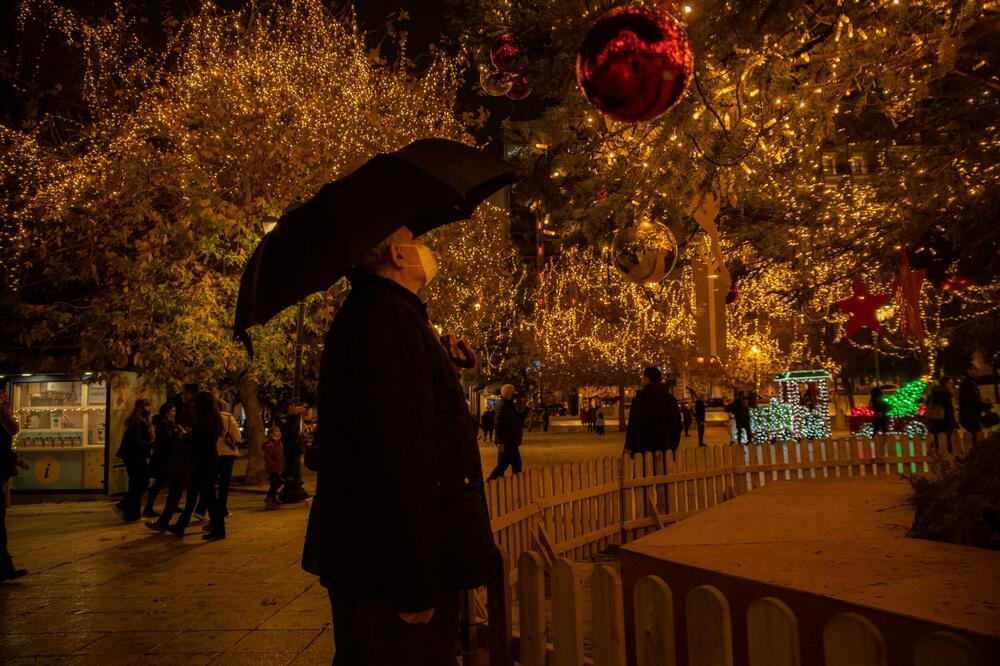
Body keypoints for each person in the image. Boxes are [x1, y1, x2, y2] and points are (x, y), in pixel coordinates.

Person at [301, 226, 499, 666]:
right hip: (391, 571)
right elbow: (400, 454)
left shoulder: (379, 314)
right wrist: (413, 582)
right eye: (418, 240)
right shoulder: (389, 319)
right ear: (398, 254)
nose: (427, 249)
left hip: (370, 559)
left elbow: (400, 416)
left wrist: (441, 367)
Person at [167, 391, 226, 540]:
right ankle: (180, 526)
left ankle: (219, 529)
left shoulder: (205, 419)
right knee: (194, 493)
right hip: (207, 459)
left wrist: (186, 436)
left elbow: (200, 441)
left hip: (203, 460)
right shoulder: (213, 418)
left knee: (209, 496)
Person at [1, 388, 28, 582]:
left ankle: (5, 567)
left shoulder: (3, 421)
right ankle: (5, 567)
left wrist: (16, 458)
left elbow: (13, 430)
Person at [624, 366, 682, 456]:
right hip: (666, 450)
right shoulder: (670, 398)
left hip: (645, 450)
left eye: (642, 378)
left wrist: (630, 446)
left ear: (647, 379)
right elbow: (677, 425)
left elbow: (638, 424)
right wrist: (672, 446)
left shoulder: (643, 397)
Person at [197, 399, 241, 517]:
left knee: (210, 481)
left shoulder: (206, 418)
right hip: (227, 452)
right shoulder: (227, 417)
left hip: (212, 453)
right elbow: (237, 436)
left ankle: (201, 509)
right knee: (224, 482)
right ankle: (222, 508)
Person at [114, 399, 153, 523]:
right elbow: (136, 440)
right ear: (141, 408)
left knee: (135, 484)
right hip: (135, 456)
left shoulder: (138, 420)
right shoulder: (138, 421)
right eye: (148, 406)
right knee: (142, 483)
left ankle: (132, 514)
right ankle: (123, 505)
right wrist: (151, 444)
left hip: (133, 456)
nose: (150, 409)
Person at [144, 402, 179, 517]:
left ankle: (172, 506)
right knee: (159, 483)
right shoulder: (163, 424)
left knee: (172, 483)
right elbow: (166, 439)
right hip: (163, 459)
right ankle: (148, 507)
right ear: (167, 412)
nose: (175, 413)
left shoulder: (169, 424)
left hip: (168, 458)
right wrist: (177, 433)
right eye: (173, 411)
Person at [487, 384, 524, 480]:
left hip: (510, 441)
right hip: (507, 441)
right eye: (513, 392)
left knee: (505, 464)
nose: (514, 394)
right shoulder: (503, 406)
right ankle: (490, 481)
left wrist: (527, 408)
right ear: (508, 393)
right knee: (512, 464)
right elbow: (498, 424)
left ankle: (493, 481)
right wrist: (500, 442)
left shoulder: (508, 405)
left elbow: (518, 418)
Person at [959, 363, 989, 445]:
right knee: (976, 436)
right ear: (968, 370)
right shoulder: (969, 383)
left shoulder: (969, 382)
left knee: (975, 436)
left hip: (970, 415)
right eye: (974, 369)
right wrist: (985, 405)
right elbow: (973, 399)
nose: (977, 371)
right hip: (970, 415)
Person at [927, 377, 957, 453]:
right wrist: (954, 424)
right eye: (950, 383)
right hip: (945, 424)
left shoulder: (932, 395)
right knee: (948, 446)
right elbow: (949, 412)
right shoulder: (947, 395)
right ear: (945, 384)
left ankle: (939, 462)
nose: (951, 385)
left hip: (934, 423)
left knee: (938, 445)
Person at [263, 426, 285, 510]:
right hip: (273, 468)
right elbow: (268, 458)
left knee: (275, 483)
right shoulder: (270, 445)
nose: (278, 433)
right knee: (276, 483)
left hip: (278, 467)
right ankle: (269, 500)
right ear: (271, 434)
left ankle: (273, 499)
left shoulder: (279, 444)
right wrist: (273, 467)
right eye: (276, 431)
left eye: (279, 431)